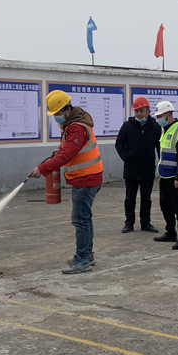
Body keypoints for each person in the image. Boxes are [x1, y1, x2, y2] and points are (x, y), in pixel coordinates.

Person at [28, 89, 103, 274]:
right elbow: (70, 149)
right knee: (85, 218)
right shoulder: (73, 123)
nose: (56, 117)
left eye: (58, 113)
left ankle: (82, 259)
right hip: (87, 177)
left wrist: (42, 169)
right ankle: (87, 255)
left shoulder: (77, 127)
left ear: (67, 110)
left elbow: (67, 155)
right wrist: (60, 150)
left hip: (86, 178)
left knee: (80, 220)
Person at [115, 95, 162, 233]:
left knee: (146, 198)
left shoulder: (155, 127)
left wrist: (161, 165)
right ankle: (129, 223)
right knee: (130, 197)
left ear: (148, 111)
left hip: (148, 169)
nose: (139, 113)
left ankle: (145, 223)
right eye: (136, 111)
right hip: (131, 169)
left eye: (142, 111)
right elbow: (119, 143)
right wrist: (126, 157)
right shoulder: (127, 126)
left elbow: (160, 147)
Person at [152, 101, 178, 250]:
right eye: (157, 116)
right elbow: (163, 155)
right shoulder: (164, 130)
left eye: (160, 116)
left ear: (169, 114)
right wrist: (161, 175)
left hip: (176, 177)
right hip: (165, 175)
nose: (158, 119)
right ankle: (170, 233)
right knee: (165, 205)